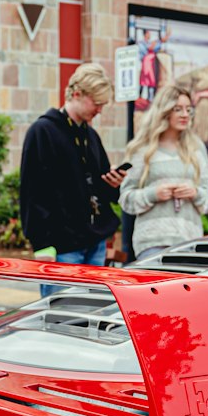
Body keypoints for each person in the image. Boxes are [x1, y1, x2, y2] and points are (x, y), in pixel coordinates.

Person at [19, 61, 127, 280]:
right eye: (97, 103)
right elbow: (33, 192)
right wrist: (42, 244)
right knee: (61, 313)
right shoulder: (42, 132)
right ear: (77, 94)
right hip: (62, 247)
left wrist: (113, 184)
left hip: (94, 242)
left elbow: (99, 190)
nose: (99, 110)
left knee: (90, 311)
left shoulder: (91, 136)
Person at [119, 85, 208, 260]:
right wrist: (153, 194)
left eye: (188, 109)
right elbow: (126, 200)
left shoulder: (196, 148)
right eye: (178, 109)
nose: (185, 114)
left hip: (190, 242)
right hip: (152, 243)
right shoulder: (141, 149)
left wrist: (195, 193)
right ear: (164, 111)